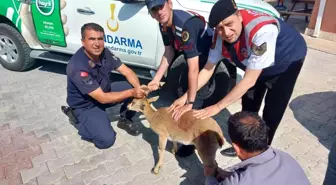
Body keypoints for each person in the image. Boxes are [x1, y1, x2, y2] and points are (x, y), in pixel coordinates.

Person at [189, 0, 307, 157]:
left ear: (239, 15)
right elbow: (207, 69)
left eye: (229, 24)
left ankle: (261, 153)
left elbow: (249, 80)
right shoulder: (220, 36)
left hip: (287, 60)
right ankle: (245, 146)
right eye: (220, 28)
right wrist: (187, 98)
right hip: (256, 66)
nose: (227, 32)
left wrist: (217, 107)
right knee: (249, 106)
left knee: (272, 112)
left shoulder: (261, 31)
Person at [145, 0, 227, 157]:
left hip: (206, 60)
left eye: (160, 6)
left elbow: (195, 68)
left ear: (169, 3)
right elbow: (169, 51)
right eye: (153, 10)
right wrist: (156, 78)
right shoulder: (163, 24)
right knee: (182, 94)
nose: (158, 12)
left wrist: (188, 101)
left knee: (194, 102)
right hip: (192, 58)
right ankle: (186, 132)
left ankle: (197, 142)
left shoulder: (185, 25)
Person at [61, 23, 145, 149]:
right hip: (86, 105)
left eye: (100, 39)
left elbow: (127, 71)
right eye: (92, 39)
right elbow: (102, 98)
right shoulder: (77, 66)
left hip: (104, 91)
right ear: (83, 42)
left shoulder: (105, 53)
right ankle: (76, 117)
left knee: (133, 86)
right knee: (106, 140)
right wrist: (132, 93)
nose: (97, 43)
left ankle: (125, 119)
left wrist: (137, 89)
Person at [204, 111, 310, 185]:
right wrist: (229, 175)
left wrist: (210, 176)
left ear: (236, 148)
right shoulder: (286, 158)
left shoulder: (239, 182)